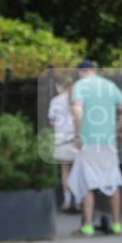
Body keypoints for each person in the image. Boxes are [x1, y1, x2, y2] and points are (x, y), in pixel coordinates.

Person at [67, 59, 122, 236]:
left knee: (88, 182)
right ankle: (117, 224)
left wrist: (78, 134)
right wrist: (116, 127)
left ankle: (87, 226)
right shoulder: (110, 85)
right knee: (113, 181)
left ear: (82, 72)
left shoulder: (80, 86)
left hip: (88, 140)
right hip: (108, 141)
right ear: (95, 70)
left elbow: (78, 112)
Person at [47, 75, 78, 212]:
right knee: (77, 169)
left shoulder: (55, 100)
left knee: (65, 170)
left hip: (61, 137)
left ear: (60, 87)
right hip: (75, 137)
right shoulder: (76, 100)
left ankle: (67, 199)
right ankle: (78, 199)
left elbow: (52, 120)